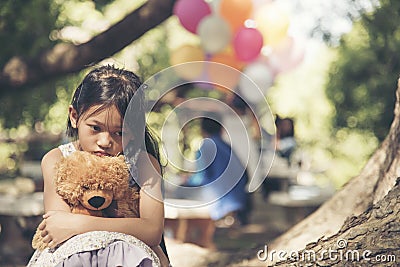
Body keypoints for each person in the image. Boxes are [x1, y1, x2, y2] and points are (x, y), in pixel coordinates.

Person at [27, 65, 169, 266]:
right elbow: (57, 226)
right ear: (74, 116)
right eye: (96, 128)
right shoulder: (56, 159)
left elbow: (152, 230)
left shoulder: (143, 163)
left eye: (119, 132)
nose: (105, 141)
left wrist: (80, 223)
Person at [186, 113, 250, 226]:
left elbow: (201, 177)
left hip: (220, 205)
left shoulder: (206, 145)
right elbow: (245, 175)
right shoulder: (226, 146)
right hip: (239, 200)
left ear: (202, 130)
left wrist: (186, 182)